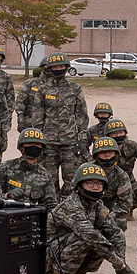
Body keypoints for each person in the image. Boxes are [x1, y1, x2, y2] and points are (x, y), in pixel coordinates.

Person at [47, 163, 135, 274]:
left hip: (64, 249)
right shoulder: (72, 206)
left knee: (107, 236)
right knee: (88, 240)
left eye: (99, 184)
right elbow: (91, 236)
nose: (95, 187)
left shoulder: (97, 205)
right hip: (49, 255)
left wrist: (121, 268)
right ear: (80, 185)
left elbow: (115, 233)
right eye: (90, 183)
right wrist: (119, 265)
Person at [34, 53, 90, 194]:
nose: (58, 69)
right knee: (49, 178)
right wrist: (38, 140)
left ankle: (68, 208)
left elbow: (82, 115)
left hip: (70, 141)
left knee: (71, 179)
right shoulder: (42, 90)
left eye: (61, 66)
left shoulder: (75, 88)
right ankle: (51, 208)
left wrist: (82, 138)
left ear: (66, 67)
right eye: (55, 67)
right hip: (49, 142)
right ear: (50, 69)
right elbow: (38, 116)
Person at [0, 128, 58, 211]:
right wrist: (6, 196)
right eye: (29, 143)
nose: (34, 147)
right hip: (5, 215)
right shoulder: (5, 168)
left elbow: (50, 206)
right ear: (21, 147)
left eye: (37, 144)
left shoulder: (45, 175)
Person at [105, 118, 137, 218]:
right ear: (108, 136)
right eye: (114, 134)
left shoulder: (132, 146)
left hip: (130, 184)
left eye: (120, 132)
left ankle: (132, 205)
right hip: (108, 187)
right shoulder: (103, 150)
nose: (118, 136)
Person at [89, 137, 134, 231]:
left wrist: (107, 215)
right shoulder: (86, 171)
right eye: (103, 152)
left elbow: (125, 203)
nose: (107, 155)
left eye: (110, 152)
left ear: (116, 154)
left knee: (120, 222)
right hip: (87, 210)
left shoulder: (121, 176)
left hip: (110, 212)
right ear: (96, 155)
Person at [15, 57, 50, 133]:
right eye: (46, 66)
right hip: (30, 125)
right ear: (42, 67)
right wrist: (20, 121)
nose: (49, 68)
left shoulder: (59, 86)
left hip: (51, 127)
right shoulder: (30, 84)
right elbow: (20, 103)